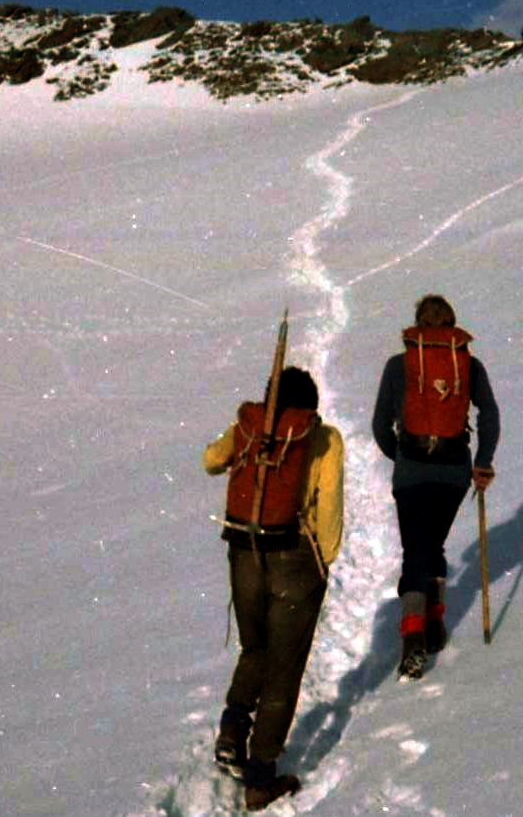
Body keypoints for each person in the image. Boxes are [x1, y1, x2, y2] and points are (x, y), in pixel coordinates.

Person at [202, 366, 344, 811]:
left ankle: (232, 729)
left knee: (255, 648)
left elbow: (210, 460)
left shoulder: (250, 425)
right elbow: (329, 501)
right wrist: (324, 560)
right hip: (295, 556)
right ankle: (260, 778)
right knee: (284, 668)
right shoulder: (323, 437)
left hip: (244, 549)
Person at [371, 295, 500, 679]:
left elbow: (380, 424)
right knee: (433, 545)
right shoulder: (469, 365)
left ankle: (413, 639)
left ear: (417, 325)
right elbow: (489, 412)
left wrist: (401, 457)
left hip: (412, 470)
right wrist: (482, 460)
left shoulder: (399, 366)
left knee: (416, 549)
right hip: (454, 472)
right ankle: (435, 624)